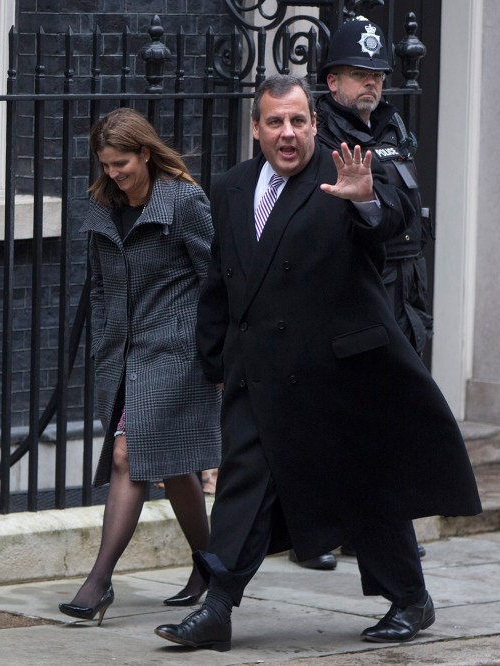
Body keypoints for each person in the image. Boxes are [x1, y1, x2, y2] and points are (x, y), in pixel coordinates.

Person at [153, 75, 481, 652]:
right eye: (275, 122)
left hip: (339, 371)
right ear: (255, 128)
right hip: (259, 371)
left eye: (299, 121)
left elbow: (395, 220)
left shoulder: (345, 173)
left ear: (314, 124)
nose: (288, 133)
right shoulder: (229, 188)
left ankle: (410, 598)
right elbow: (220, 281)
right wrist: (213, 362)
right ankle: (218, 607)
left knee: (365, 487)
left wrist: (368, 201)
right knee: (243, 487)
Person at [58, 107, 221, 625]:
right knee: (172, 467)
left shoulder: (184, 201)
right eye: (106, 164)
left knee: (128, 456)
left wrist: (209, 348)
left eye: (122, 162)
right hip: (124, 356)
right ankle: (211, 565)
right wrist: (107, 338)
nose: (114, 173)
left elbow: (214, 279)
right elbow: (101, 286)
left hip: (176, 353)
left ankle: (98, 582)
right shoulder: (102, 207)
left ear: (146, 153)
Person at [290, 16, 433, 573]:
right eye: (357, 74)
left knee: (392, 412)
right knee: (331, 412)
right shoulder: (315, 136)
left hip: (401, 286)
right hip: (347, 288)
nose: (370, 83)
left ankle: (379, 527)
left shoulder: (394, 130)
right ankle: (321, 528)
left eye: (376, 74)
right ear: (332, 83)